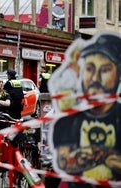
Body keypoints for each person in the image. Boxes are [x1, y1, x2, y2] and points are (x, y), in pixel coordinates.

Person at [49, 32, 121, 188]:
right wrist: (105, 155)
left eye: (105, 70)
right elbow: (64, 160)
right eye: (90, 68)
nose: (95, 78)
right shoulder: (70, 118)